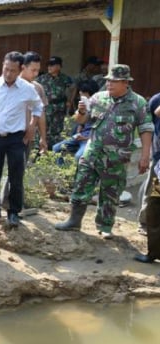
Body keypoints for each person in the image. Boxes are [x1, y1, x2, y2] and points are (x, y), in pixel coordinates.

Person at [55, 64, 153, 239]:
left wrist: (145, 156)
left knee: (110, 193)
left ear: (125, 82)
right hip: (92, 153)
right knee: (81, 187)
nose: (109, 84)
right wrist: (81, 111)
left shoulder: (137, 102)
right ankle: (74, 221)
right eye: (108, 81)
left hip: (116, 158)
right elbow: (81, 120)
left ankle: (105, 226)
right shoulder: (98, 98)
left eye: (114, 81)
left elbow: (146, 129)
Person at [0, 51, 43, 227]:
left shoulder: (28, 89)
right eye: (6, 69)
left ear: (20, 70)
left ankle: (13, 212)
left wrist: (32, 126)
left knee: (16, 177)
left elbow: (38, 107)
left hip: (16, 139)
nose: (8, 73)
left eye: (12, 70)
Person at [134, 98, 160, 263]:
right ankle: (154, 252)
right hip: (159, 168)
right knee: (155, 206)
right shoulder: (156, 100)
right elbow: (150, 122)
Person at [52, 80, 99, 163]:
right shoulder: (83, 105)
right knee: (56, 148)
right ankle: (63, 171)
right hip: (80, 136)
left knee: (79, 156)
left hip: (90, 139)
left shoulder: (100, 107)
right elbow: (80, 122)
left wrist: (85, 138)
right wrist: (78, 131)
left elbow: (101, 131)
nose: (80, 94)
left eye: (83, 93)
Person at [37, 56, 73, 148]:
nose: (49, 67)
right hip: (46, 106)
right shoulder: (42, 78)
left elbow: (73, 88)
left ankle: (54, 150)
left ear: (59, 66)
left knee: (57, 130)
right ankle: (39, 149)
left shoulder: (65, 78)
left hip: (59, 107)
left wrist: (70, 100)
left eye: (52, 65)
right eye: (48, 65)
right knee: (42, 128)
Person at [20, 51, 48, 155]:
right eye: (33, 70)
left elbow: (41, 113)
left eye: (38, 70)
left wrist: (43, 138)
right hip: (9, 135)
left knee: (21, 168)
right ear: (23, 67)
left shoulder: (38, 88)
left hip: (28, 136)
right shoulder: (11, 85)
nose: (36, 74)